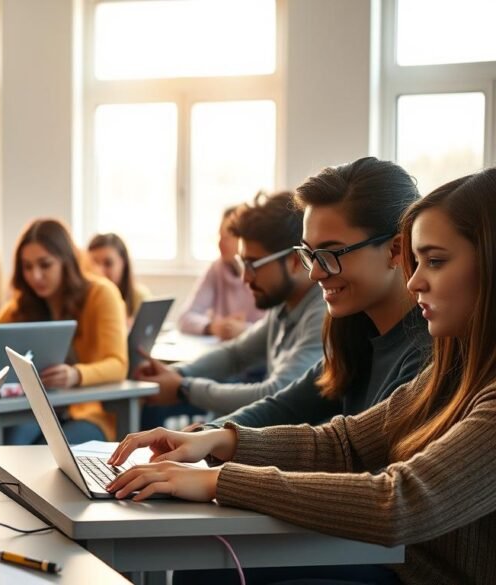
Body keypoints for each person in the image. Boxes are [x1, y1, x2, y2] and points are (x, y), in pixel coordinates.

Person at [106, 167, 496, 585]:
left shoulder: (452, 365)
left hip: (410, 568)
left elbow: (400, 502)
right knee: (202, 567)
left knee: (207, 568)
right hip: (392, 558)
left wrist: (220, 478)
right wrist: (218, 438)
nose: (414, 278)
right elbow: (344, 442)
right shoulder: (459, 366)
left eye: (434, 261)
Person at [201, 158, 431, 431]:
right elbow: (284, 406)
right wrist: (208, 434)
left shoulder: (425, 355)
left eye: (330, 254)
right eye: (310, 254)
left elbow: (352, 458)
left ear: (395, 250)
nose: (315, 273)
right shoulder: (354, 331)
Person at [135, 192, 325, 425]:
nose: (245, 277)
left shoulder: (323, 313)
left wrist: (184, 388)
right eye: (241, 264)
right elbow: (235, 354)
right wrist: (178, 374)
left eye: (252, 264)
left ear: (295, 261)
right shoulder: (285, 305)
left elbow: (277, 393)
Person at [0, 219, 127, 442]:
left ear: (66, 261)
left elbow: (118, 364)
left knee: (47, 451)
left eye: (45, 265)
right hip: (36, 409)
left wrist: (76, 375)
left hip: (88, 413)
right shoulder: (23, 303)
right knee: (10, 446)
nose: (35, 276)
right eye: (27, 266)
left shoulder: (101, 294)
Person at [177, 205, 264, 340]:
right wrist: (215, 327)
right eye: (219, 235)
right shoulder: (216, 268)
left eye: (228, 236)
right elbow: (185, 317)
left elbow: (276, 328)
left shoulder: (264, 271)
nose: (220, 242)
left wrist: (244, 330)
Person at [87, 233, 151, 321]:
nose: (99, 271)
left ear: (123, 263)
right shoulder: (80, 300)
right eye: (94, 263)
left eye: (108, 263)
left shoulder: (139, 296)